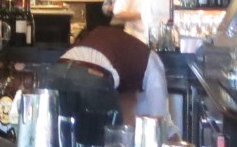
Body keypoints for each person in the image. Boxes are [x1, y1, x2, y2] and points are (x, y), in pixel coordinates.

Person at [46, 26, 177, 140]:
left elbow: (130, 110)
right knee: (109, 143)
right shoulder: (153, 63)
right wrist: (172, 139)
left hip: (55, 71)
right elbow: (159, 121)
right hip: (92, 78)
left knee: (60, 142)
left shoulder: (125, 52)